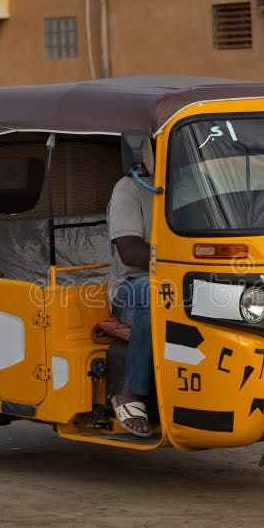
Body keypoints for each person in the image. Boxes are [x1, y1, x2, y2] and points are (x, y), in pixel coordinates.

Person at [108, 172, 155, 438]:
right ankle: (131, 391)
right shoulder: (129, 188)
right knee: (154, 292)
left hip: (185, 275)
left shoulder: (195, 179)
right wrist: (183, 255)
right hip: (132, 285)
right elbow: (130, 251)